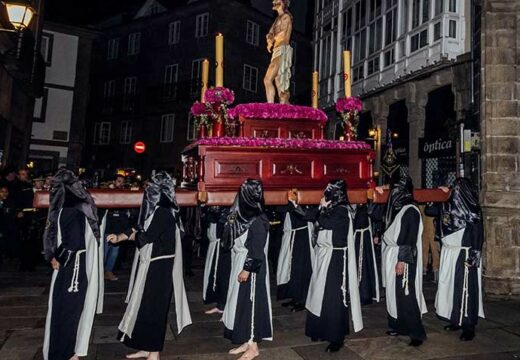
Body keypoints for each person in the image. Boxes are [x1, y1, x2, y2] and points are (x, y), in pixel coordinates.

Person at [108, 172, 191, 360]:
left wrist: (130, 236)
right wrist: (121, 236)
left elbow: (146, 236)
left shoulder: (164, 212)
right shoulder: (153, 209)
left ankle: (154, 352)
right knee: (144, 307)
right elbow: (139, 226)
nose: (147, 191)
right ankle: (145, 347)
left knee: (155, 309)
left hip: (160, 267)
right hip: (150, 264)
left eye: (150, 188)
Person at [42, 169, 104, 360]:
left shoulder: (70, 210)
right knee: (66, 307)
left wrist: (56, 257)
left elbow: (74, 242)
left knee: (67, 310)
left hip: (73, 266)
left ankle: (67, 353)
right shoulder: (78, 207)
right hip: (74, 263)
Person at [305, 180, 363, 353]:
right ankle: (319, 329)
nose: (325, 194)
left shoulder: (342, 210)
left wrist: (322, 207)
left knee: (333, 298)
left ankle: (337, 337)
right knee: (318, 295)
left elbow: (326, 222)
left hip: (336, 259)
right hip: (324, 256)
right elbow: (310, 216)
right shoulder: (332, 208)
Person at [426, 178, 485, 341]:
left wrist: (474, 256)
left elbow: (478, 235)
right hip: (449, 254)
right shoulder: (447, 205)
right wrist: (436, 195)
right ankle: (455, 320)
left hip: (464, 254)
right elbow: (430, 211)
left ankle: (468, 325)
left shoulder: (472, 210)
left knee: (465, 289)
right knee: (451, 288)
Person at [222, 179, 272, 360]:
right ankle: (246, 339)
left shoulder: (259, 218)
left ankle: (254, 346)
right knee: (239, 303)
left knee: (251, 302)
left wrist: (247, 269)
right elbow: (228, 235)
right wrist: (230, 219)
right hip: (240, 260)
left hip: (251, 265)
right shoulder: (240, 215)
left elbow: (257, 249)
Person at [377, 176, 427, 347]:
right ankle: (398, 325)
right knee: (393, 293)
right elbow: (378, 217)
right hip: (393, 254)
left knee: (406, 294)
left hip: (404, 257)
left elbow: (409, 238)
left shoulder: (411, 210)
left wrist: (402, 261)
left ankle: (416, 333)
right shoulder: (398, 208)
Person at [276, 188, 314, 312]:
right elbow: (279, 209)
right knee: (291, 268)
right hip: (291, 236)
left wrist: (294, 203)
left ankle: (303, 299)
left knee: (301, 268)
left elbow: (305, 214)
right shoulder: (288, 198)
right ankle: (295, 296)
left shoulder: (306, 197)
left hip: (301, 237)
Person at [101, 175, 130, 281]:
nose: (120, 184)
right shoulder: (108, 190)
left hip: (118, 229)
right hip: (108, 227)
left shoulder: (124, 192)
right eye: (119, 181)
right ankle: (100, 272)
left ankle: (108, 271)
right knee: (104, 252)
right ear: (114, 181)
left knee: (114, 253)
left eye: (122, 182)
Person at [203, 206, 231, 314]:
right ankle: (221, 304)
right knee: (219, 276)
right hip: (216, 244)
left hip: (223, 245)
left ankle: (224, 306)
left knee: (223, 276)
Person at [264, 0, 293, 104]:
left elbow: (282, 34)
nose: (273, 1)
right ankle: (280, 107)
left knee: (268, 80)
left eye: (276, 0)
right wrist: (269, 38)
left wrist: (272, 39)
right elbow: (270, 33)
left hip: (282, 50)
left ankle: (271, 106)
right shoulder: (277, 19)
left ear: (282, 3)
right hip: (276, 51)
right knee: (279, 84)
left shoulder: (286, 17)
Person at [351, 204, 380, 305]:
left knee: (365, 266)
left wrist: (376, 233)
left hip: (364, 237)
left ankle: (365, 295)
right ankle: (356, 294)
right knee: (355, 266)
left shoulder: (367, 205)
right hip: (355, 238)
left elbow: (375, 216)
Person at [12, 168, 38, 271]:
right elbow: (14, 201)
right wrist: (17, 211)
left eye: (24, 174)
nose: (22, 176)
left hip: (31, 217)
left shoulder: (28, 187)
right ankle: (23, 263)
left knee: (32, 242)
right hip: (22, 217)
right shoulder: (16, 186)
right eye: (21, 174)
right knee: (23, 241)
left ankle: (30, 263)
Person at [420, 204, 439, 282]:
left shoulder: (435, 204)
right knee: (424, 248)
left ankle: (436, 270)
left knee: (435, 249)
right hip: (425, 229)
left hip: (433, 229)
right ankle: (424, 268)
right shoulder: (422, 205)